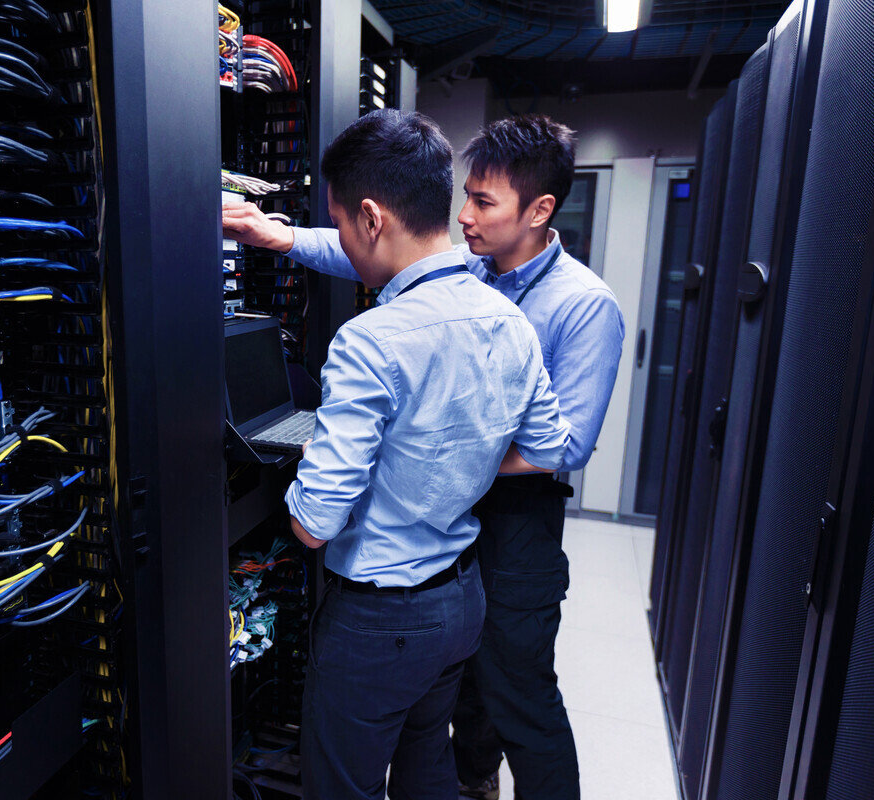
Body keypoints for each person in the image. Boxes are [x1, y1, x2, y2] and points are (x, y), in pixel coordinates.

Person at [224, 113, 625, 800]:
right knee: (426, 771)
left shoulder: (370, 342)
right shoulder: (507, 314)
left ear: (373, 218)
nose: (346, 241)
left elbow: (316, 522)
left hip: (380, 620)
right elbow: (544, 436)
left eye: (344, 223)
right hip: (458, 597)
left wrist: (335, 463)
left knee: (346, 785)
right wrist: (280, 236)